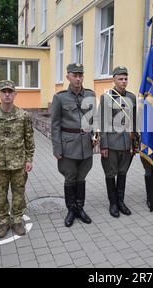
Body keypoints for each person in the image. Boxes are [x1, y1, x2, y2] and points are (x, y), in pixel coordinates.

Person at [0, 80, 34, 238]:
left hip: (18, 163)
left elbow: (29, 139)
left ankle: (17, 220)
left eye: (10, 91)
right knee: (0, 195)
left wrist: (29, 159)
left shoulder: (23, 116)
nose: (7, 94)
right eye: (4, 91)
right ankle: (3, 222)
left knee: (19, 193)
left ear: (15, 94)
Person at [51, 63, 97, 227]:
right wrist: (57, 147)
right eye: (74, 75)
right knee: (70, 178)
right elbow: (55, 125)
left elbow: (93, 120)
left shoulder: (90, 95)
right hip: (68, 146)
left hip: (86, 146)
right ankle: (71, 210)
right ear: (68, 77)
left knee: (81, 178)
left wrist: (95, 135)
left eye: (80, 75)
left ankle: (80, 208)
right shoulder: (60, 98)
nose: (78, 78)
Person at [99, 67, 137, 217]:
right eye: (120, 79)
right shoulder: (107, 97)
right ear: (113, 80)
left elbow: (134, 121)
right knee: (110, 173)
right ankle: (113, 203)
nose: (123, 82)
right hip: (112, 142)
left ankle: (121, 201)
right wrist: (104, 145)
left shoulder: (132, 97)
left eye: (126, 79)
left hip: (127, 142)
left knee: (123, 172)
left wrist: (135, 142)